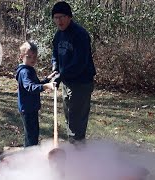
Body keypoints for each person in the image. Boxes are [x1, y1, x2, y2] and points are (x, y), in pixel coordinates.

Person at [51, 1, 96, 144]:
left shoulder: (80, 35)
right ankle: (74, 147)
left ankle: (78, 154)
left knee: (76, 120)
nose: (59, 20)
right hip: (67, 82)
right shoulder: (58, 35)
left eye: (62, 16)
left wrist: (60, 75)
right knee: (69, 117)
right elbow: (55, 55)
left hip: (81, 83)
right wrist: (55, 69)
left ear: (69, 17)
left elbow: (79, 63)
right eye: (56, 17)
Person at [16, 41, 56, 147]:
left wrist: (47, 79)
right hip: (27, 109)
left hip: (31, 108)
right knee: (31, 137)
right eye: (29, 57)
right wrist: (46, 86)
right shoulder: (25, 72)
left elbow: (36, 84)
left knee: (33, 134)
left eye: (34, 57)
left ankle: (30, 154)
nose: (32, 59)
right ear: (21, 56)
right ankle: (28, 158)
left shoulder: (29, 70)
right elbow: (30, 87)